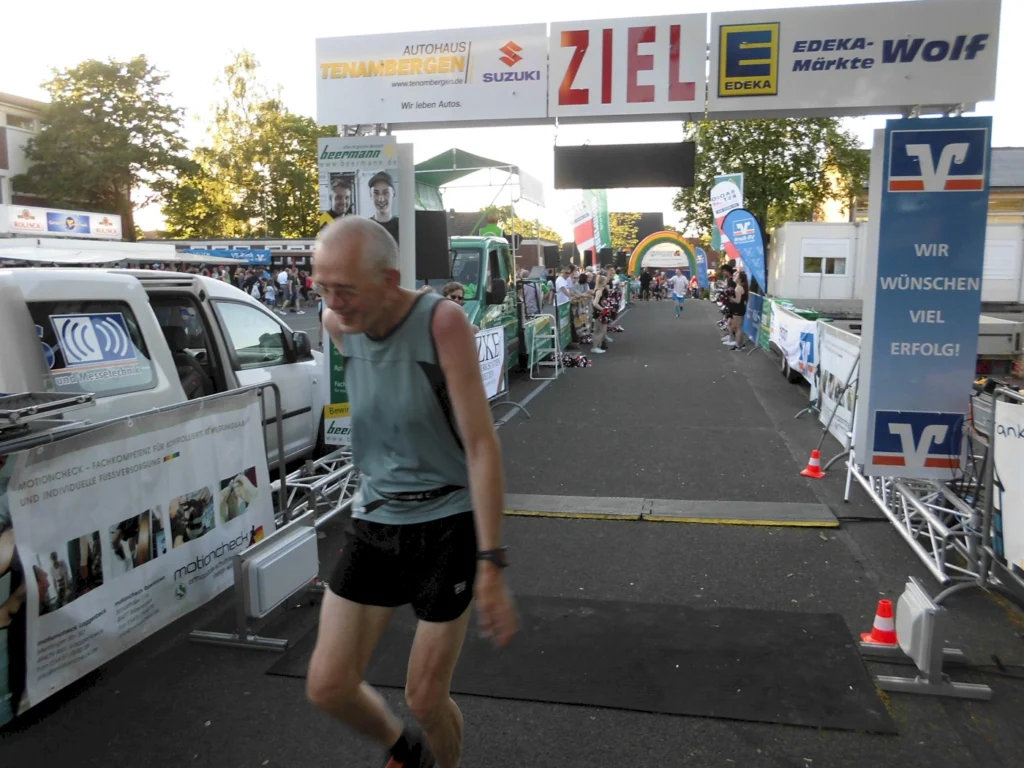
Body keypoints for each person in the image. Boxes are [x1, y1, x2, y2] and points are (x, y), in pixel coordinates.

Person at [308, 217, 517, 768]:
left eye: (346, 289)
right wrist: (340, 303)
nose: (333, 302)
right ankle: (405, 752)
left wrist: (491, 563)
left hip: (446, 524)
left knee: (425, 696)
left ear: (390, 278)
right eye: (322, 286)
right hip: (375, 518)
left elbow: (480, 445)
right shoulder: (338, 323)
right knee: (328, 685)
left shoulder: (441, 324)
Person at [367, 171, 400, 243]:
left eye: (385, 192)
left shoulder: (402, 227)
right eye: (376, 193)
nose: (381, 199)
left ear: (393, 194)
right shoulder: (365, 227)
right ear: (370, 195)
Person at [590, 275, 611, 355]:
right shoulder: (599, 291)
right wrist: (603, 310)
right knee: (599, 331)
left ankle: (598, 345)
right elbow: (595, 303)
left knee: (600, 330)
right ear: (602, 282)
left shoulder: (600, 290)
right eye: (605, 281)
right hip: (599, 313)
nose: (607, 282)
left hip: (600, 312)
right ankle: (595, 347)